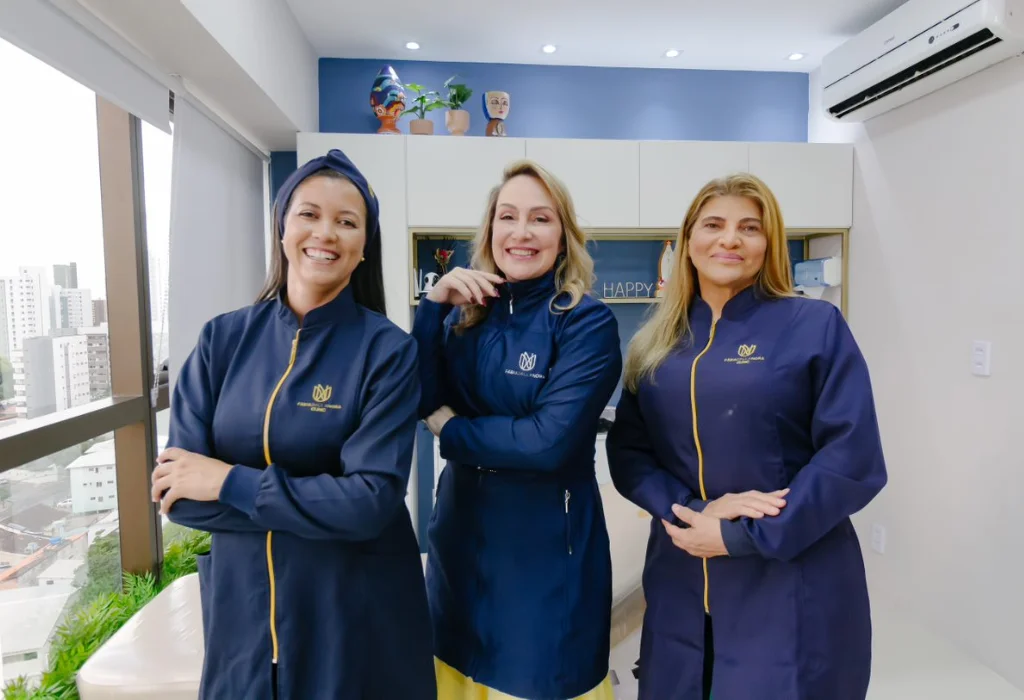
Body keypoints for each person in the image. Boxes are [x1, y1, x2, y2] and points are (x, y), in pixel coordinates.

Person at [150, 149, 435, 700]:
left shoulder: (388, 351)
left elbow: (370, 502)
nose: (325, 233)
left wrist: (227, 482)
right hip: (244, 619)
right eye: (309, 214)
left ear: (363, 247)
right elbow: (178, 497)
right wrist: (322, 506)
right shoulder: (221, 341)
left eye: (346, 222)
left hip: (353, 616)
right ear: (282, 227)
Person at [606, 173, 887, 700]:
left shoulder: (814, 325)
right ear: (688, 241)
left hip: (790, 574)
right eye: (713, 224)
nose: (730, 239)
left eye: (750, 227)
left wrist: (740, 535)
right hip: (683, 574)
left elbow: (852, 459)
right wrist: (690, 513)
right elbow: (630, 452)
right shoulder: (655, 344)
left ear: (769, 243)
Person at [413, 160, 622, 700]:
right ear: (490, 230)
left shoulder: (585, 322)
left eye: (540, 218)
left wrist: (451, 432)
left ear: (563, 235)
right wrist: (433, 308)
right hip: (458, 551)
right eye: (507, 216)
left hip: (543, 565)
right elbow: (419, 398)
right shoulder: (466, 318)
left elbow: (546, 443)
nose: (521, 232)